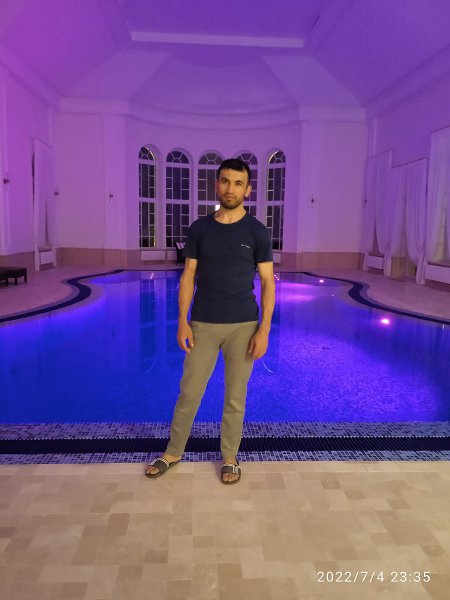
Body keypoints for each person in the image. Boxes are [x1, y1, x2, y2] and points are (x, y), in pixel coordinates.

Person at [145, 158, 275, 484]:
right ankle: (173, 451)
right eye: (225, 181)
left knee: (235, 397)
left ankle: (230, 456)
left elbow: (268, 283)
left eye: (238, 183)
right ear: (216, 184)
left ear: (248, 189)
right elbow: (188, 276)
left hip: (243, 325)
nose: (231, 188)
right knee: (189, 392)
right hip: (203, 323)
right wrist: (182, 321)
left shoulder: (257, 232)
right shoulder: (200, 229)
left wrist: (264, 330)